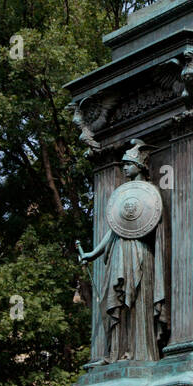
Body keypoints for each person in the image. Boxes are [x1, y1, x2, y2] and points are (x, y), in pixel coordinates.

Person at [77, 141, 165, 363]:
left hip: (139, 250)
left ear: (139, 165)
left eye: (128, 164)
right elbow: (115, 229)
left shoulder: (150, 192)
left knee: (136, 302)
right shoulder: (123, 193)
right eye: (124, 164)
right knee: (118, 301)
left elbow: (151, 225)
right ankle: (116, 352)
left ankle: (138, 353)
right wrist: (93, 253)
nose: (124, 168)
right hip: (119, 251)